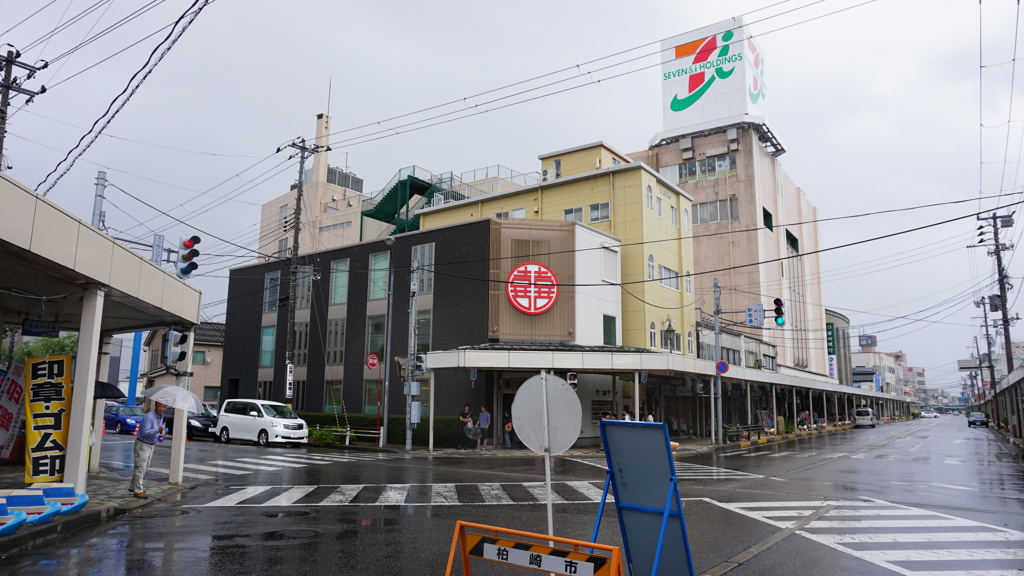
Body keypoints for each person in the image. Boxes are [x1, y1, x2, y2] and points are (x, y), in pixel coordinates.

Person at [129, 401, 166, 498]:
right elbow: (145, 432)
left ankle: (134, 486)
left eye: (164, 407)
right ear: (156, 406)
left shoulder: (160, 417)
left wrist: (160, 433)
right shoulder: (149, 417)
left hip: (151, 444)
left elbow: (156, 430)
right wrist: (158, 430)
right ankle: (138, 491)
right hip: (143, 444)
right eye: (160, 406)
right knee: (140, 468)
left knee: (144, 467)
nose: (162, 408)